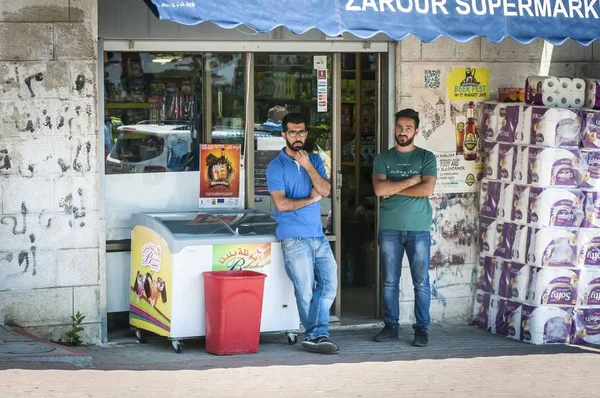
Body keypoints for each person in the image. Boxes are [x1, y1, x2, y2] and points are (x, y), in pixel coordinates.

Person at [266, 112, 339, 354]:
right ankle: (317, 335)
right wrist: (310, 199)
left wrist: (308, 166)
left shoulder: (315, 160)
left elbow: (326, 190)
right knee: (305, 289)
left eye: (302, 132)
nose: (298, 137)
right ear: (283, 134)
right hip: (294, 237)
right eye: (293, 132)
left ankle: (316, 333)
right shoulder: (276, 167)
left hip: (317, 235)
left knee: (329, 284)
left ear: (306, 134)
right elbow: (282, 205)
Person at [371, 108, 437, 347]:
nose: (403, 132)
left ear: (416, 131)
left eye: (408, 128)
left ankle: (422, 329)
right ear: (394, 129)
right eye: (399, 127)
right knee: (389, 281)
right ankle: (390, 326)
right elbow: (379, 190)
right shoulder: (383, 158)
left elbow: (427, 190)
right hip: (390, 228)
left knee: (421, 282)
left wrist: (394, 187)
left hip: (419, 228)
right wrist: (411, 181)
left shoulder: (426, 157)